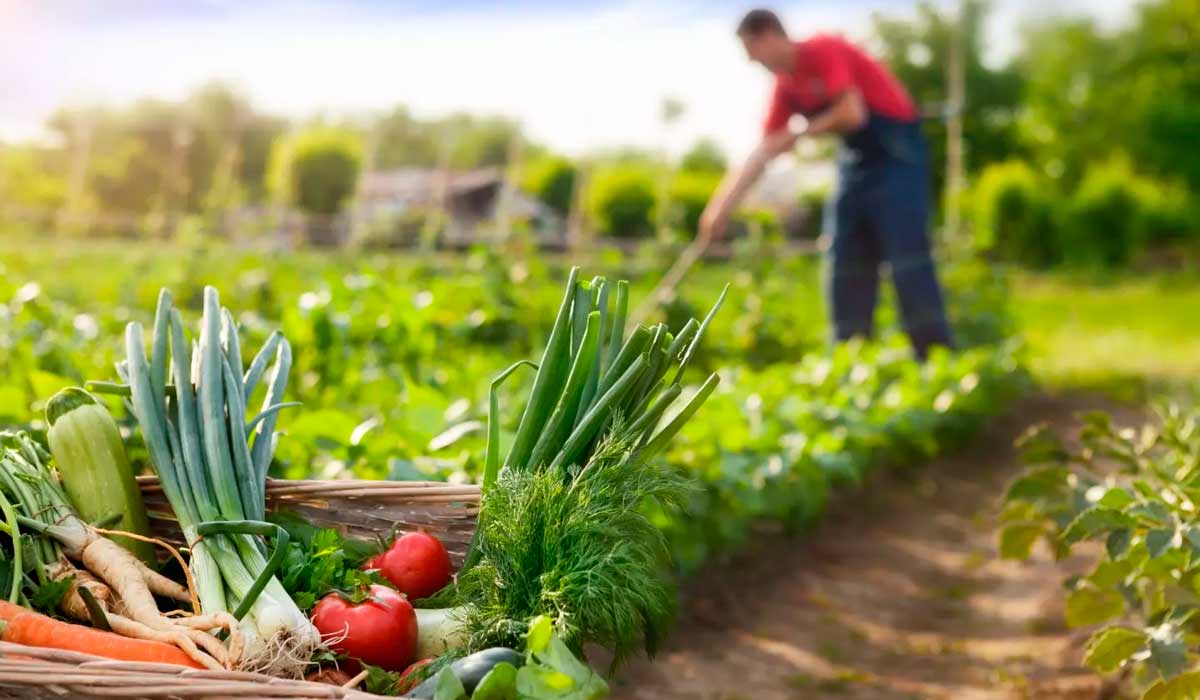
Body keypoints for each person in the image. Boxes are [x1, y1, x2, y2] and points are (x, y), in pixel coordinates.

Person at [698, 8, 953, 359]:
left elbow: (852, 113)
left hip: (898, 155)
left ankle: (937, 362)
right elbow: (764, 150)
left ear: (770, 34)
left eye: (752, 50)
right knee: (844, 258)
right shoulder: (786, 89)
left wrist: (800, 131)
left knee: (907, 259)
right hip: (856, 162)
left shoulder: (823, 50)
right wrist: (719, 209)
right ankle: (850, 365)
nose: (752, 61)